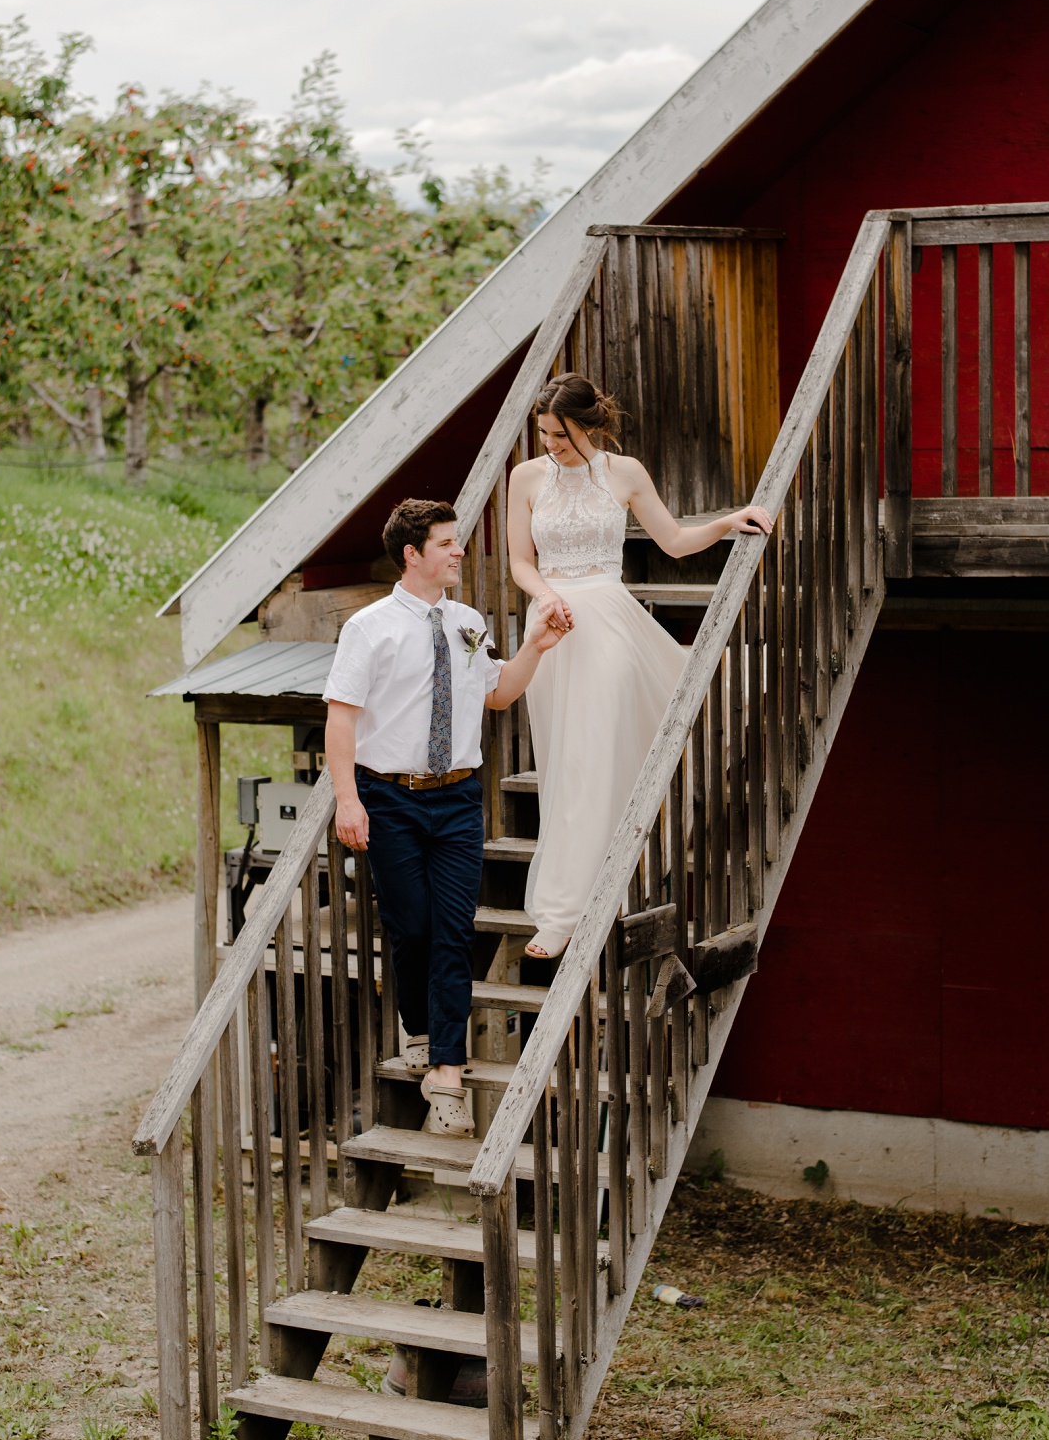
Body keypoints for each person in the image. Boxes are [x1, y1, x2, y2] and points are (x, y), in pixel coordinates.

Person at [507, 374, 773, 960]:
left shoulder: (625, 473)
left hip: (609, 620)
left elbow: (674, 540)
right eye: (545, 434)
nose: (552, 445)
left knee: (599, 750)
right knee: (566, 761)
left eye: (563, 435)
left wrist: (729, 522)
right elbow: (520, 562)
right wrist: (544, 595)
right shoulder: (525, 478)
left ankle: (580, 906)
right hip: (553, 627)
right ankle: (567, 906)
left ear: (591, 427)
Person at [324, 497, 566, 1137]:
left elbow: (497, 693)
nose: (460, 552)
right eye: (448, 543)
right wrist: (348, 799)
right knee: (413, 928)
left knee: (455, 929)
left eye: (458, 542)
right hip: (390, 797)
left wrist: (535, 648)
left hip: (459, 796)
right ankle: (421, 1025)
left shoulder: (467, 621)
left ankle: (447, 1074)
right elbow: (341, 718)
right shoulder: (369, 628)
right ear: (413, 554)